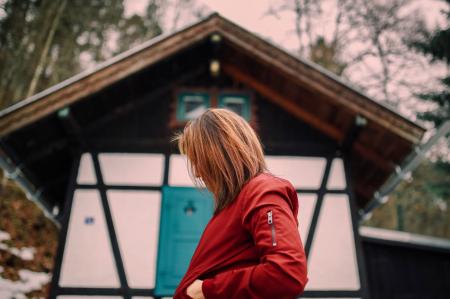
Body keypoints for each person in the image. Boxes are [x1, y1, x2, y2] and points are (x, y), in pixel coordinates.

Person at [171, 108, 309, 299]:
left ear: (219, 154)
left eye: (199, 161)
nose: (197, 173)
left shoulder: (263, 191)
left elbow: (286, 272)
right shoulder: (234, 204)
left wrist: (206, 290)